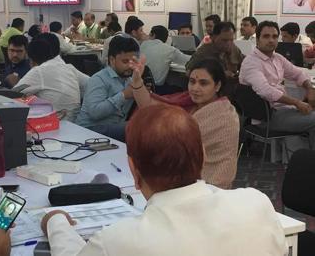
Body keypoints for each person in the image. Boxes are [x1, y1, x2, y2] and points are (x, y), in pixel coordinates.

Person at [42, 104, 287, 256]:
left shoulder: (117, 241)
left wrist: (56, 224)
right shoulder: (255, 203)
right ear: (202, 156)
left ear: (133, 170)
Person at [131, 58, 240, 189]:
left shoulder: (222, 115)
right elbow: (150, 107)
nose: (195, 88)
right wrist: (137, 82)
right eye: (192, 82)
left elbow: (172, 142)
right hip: (188, 181)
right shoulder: (191, 103)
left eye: (203, 83)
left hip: (211, 186)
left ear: (217, 86)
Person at [240, 21, 315, 150]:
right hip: (268, 117)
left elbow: (298, 74)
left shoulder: (277, 58)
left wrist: (310, 88)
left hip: (284, 110)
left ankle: (305, 161)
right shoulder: (251, 62)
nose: (271, 40)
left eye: (275, 37)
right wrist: (297, 102)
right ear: (257, 39)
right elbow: (266, 91)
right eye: (266, 36)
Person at [77, 36, 138, 141]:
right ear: (112, 60)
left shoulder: (129, 80)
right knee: (137, 127)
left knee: (149, 124)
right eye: (125, 61)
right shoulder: (99, 79)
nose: (130, 66)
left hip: (112, 128)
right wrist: (123, 95)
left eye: (133, 61)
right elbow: (94, 112)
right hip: (89, 130)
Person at [15, 34, 88, 122]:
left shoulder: (39, 71)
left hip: (55, 124)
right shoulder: (69, 67)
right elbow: (91, 84)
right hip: (76, 122)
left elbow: (13, 94)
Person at [187, 22, 243, 95]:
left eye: (231, 40)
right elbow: (188, 72)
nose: (229, 44)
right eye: (224, 40)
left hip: (233, 91)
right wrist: (219, 74)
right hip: (211, 93)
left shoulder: (234, 49)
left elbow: (244, 66)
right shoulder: (203, 52)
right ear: (214, 37)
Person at [140, 26, 190, 94]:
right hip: (156, 89)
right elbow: (187, 60)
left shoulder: (142, 45)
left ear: (153, 35)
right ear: (166, 39)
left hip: (141, 85)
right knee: (180, 87)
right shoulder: (170, 50)